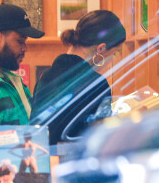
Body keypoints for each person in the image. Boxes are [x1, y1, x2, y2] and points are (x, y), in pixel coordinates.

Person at [31, 10, 126, 145]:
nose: (113, 59)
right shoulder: (96, 84)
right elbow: (101, 137)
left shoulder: (45, 77)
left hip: (46, 160)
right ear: (101, 49)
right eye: (115, 52)